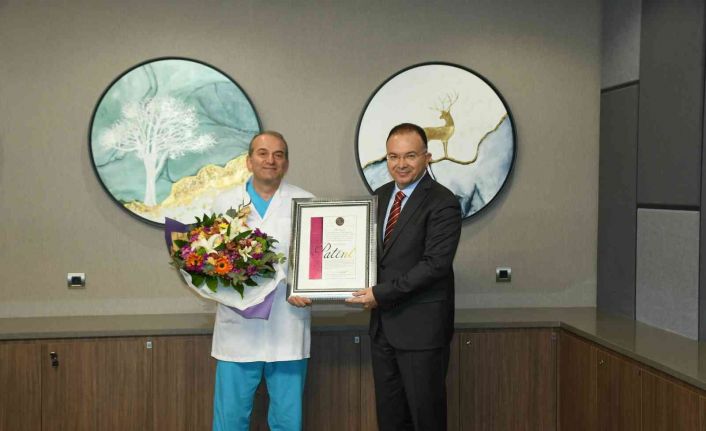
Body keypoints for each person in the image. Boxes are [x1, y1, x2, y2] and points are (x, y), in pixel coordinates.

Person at [346, 123, 462, 430]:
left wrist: (379, 294)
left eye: (410, 155)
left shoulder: (443, 202)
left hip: (421, 332)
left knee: (426, 418)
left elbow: (434, 265)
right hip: (383, 330)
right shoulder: (380, 196)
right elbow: (370, 255)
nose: (401, 164)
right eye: (393, 156)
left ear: (427, 157)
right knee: (390, 418)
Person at [211, 131, 312, 431]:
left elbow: (316, 259)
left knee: (287, 421)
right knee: (229, 421)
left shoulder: (305, 201)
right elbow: (212, 261)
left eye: (279, 155)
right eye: (263, 153)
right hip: (238, 328)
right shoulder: (224, 203)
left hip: (288, 322)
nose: (271, 160)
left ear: (286, 163)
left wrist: (305, 286)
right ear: (249, 161)